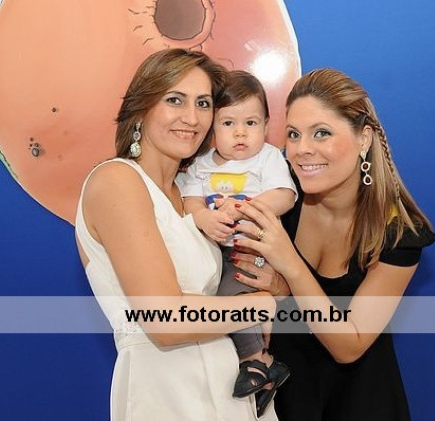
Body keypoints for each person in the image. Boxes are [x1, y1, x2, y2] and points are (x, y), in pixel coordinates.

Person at [74, 48, 278, 421]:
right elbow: (165, 319)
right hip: (166, 393)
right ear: (141, 108)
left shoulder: (190, 195)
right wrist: (263, 305)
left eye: (203, 103)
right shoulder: (117, 181)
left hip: (229, 387)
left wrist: (270, 284)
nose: (192, 117)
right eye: (174, 100)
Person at [230, 68, 435, 420]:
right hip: (286, 402)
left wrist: (290, 271)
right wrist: (279, 292)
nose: (302, 150)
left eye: (321, 133)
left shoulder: (398, 233)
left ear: (363, 138)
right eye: (293, 134)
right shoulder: (281, 197)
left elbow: (349, 345)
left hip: (362, 404)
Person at [180, 70, 296, 408]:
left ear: (266, 125)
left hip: (256, 250)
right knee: (218, 297)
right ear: (212, 127)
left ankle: (255, 361)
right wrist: (205, 218)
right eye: (228, 123)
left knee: (229, 297)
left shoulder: (268, 157)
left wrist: (246, 207)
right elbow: (191, 202)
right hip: (220, 252)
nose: (240, 133)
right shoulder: (201, 165)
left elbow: (285, 195)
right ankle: (269, 368)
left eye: (251, 123)